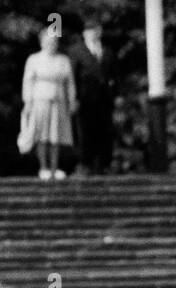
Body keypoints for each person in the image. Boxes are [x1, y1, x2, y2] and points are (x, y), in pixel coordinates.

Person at [21, 25, 77, 180]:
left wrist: (72, 100)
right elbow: (27, 82)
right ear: (41, 42)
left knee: (56, 134)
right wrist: (27, 102)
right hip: (40, 99)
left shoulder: (63, 60)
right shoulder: (34, 59)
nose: (51, 44)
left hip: (58, 101)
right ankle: (43, 167)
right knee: (42, 134)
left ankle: (55, 167)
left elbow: (70, 83)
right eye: (48, 42)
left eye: (53, 42)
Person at [68, 19, 118, 175]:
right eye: (90, 31)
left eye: (96, 30)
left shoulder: (108, 51)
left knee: (105, 131)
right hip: (85, 98)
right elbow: (72, 76)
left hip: (104, 99)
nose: (94, 33)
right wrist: (74, 97)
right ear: (84, 34)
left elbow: (115, 74)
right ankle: (85, 163)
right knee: (85, 132)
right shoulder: (77, 51)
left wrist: (116, 93)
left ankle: (104, 163)